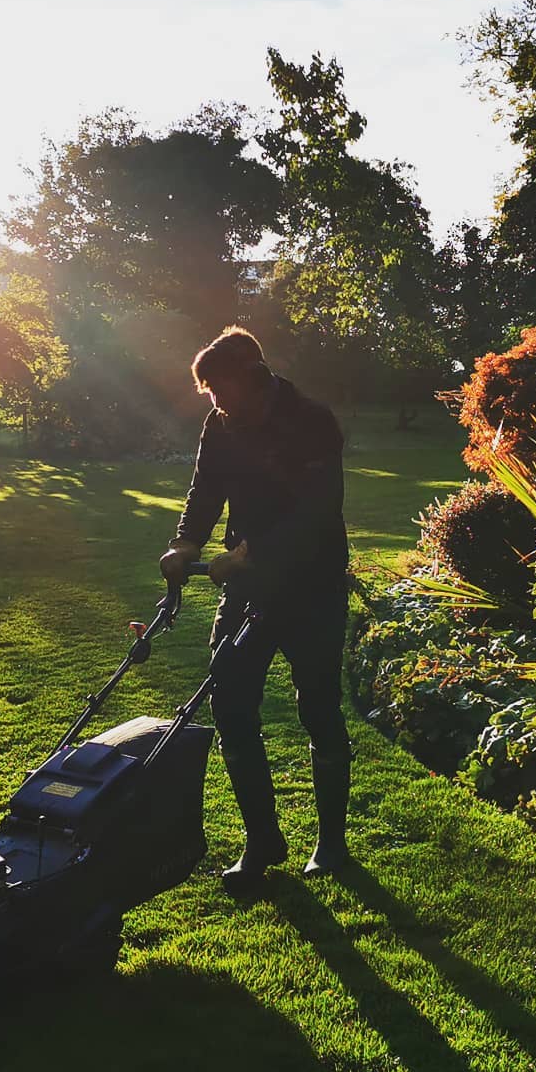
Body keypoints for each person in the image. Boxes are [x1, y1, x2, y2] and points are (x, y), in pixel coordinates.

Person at [159, 327, 352, 884]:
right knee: (231, 704)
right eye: (208, 391)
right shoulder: (220, 423)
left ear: (253, 377)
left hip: (312, 585)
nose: (215, 400)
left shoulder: (312, 420)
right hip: (246, 587)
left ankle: (332, 844)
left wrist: (254, 554)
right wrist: (186, 543)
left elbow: (320, 511)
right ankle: (263, 840)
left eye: (221, 387)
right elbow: (205, 490)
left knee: (318, 708)